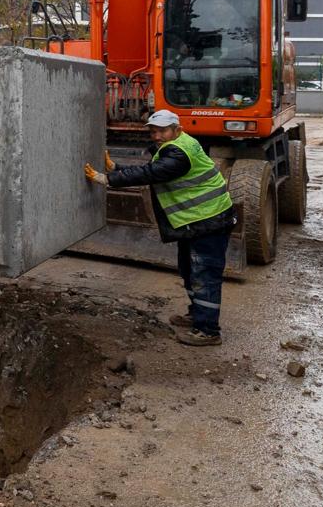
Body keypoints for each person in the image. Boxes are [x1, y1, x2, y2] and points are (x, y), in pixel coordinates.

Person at [84, 110, 235, 346]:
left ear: (177, 129)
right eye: (153, 131)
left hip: (208, 221)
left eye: (162, 131)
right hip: (196, 221)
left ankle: (208, 330)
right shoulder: (179, 144)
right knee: (189, 270)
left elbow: (152, 172)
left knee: (204, 275)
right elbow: (154, 168)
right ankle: (197, 315)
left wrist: (108, 178)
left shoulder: (178, 153)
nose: (156, 136)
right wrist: (116, 167)